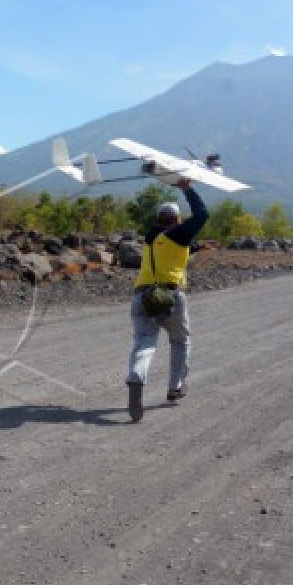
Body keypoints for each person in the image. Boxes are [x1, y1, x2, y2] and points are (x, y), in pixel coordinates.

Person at [126, 179, 209, 422]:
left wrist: (196, 247)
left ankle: (136, 377)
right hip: (169, 296)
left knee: (144, 342)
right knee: (180, 341)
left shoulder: (151, 238)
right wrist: (187, 188)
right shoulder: (178, 234)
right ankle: (175, 387)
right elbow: (203, 214)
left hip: (141, 296)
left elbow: (172, 249)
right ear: (176, 220)